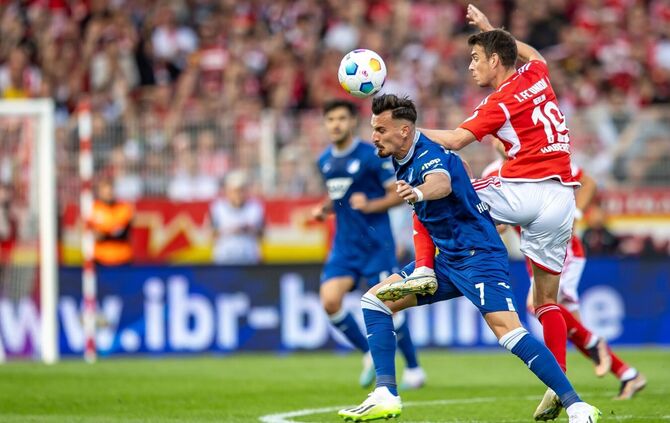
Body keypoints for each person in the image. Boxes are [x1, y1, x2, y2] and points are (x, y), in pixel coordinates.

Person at [338, 94, 600, 423]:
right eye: (373, 129)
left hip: (478, 256)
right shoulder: (402, 156)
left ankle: (577, 406)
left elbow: (441, 184)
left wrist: (418, 192)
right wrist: (424, 266)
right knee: (375, 302)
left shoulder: (428, 154)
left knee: (508, 331)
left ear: (404, 130)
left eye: (380, 129)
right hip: (449, 258)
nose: (374, 136)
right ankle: (385, 394)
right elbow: (429, 211)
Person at [399, 5, 582, 419]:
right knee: (546, 301)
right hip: (561, 199)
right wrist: (491, 29)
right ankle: (559, 383)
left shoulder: (499, 101)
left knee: (437, 187)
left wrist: (405, 133)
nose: (470, 66)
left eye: (476, 58)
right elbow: (535, 55)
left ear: (495, 60)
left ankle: (425, 268)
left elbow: (455, 140)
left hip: (523, 190)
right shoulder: (536, 76)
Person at [486, 156, 647, 404]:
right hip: (534, 253)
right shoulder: (492, 172)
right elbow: (500, 224)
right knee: (571, 327)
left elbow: (588, 182)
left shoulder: (540, 155)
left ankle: (564, 378)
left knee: (538, 304)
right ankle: (627, 374)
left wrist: (576, 213)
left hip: (562, 248)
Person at [312, 99, 425, 389]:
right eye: (330, 119)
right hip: (345, 247)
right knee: (329, 301)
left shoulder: (371, 155)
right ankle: (367, 353)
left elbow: (397, 194)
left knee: (390, 305)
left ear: (352, 122)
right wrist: (326, 208)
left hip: (376, 245)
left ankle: (414, 369)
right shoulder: (324, 161)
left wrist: (370, 205)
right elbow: (340, 195)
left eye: (341, 118)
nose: (335, 124)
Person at [209, 170, 264, 265]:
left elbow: (262, 234)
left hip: (249, 260)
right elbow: (211, 235)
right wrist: (230, 230)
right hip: (224, 259)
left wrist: (249, 229)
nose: (238, 194)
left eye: (241, 190)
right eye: (235, 191)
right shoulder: (218, 208)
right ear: (228, 191)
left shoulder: (255, 208)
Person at [91, 179, 134, 266]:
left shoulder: (123, 208)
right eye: (105, 193)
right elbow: (86, 230)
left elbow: (120, 231)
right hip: (99, 259)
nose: (108, 195)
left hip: (122, 258)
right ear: (99, 193)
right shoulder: (93, 208)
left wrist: (102, 233)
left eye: (110, 192)